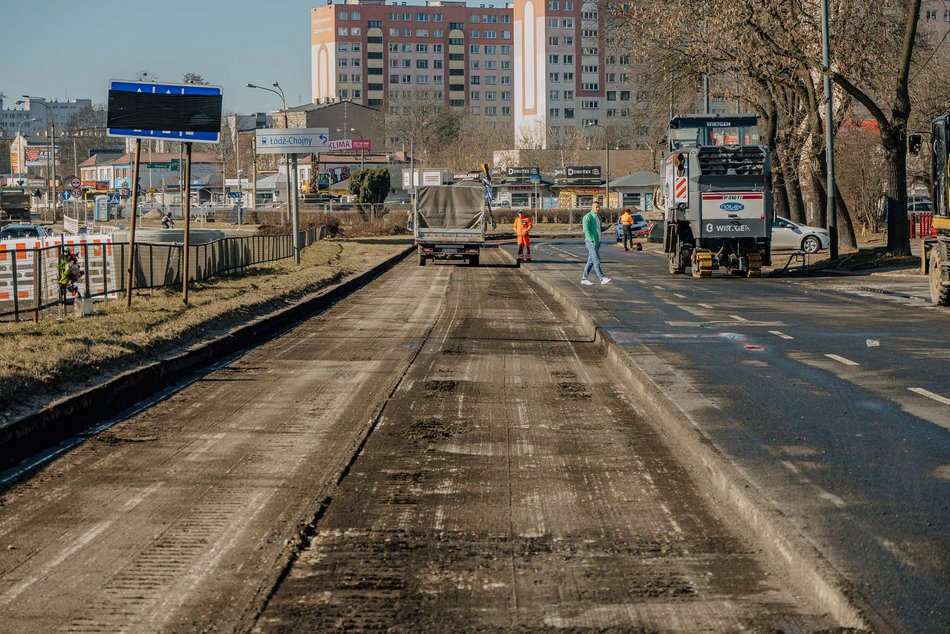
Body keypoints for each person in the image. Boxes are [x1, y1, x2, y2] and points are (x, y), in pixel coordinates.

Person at [581, 201, 611, 285]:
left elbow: (600, 229)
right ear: (592, 207)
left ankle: (584, 278)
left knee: (590, 261)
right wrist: (592, 239)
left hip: (598, 241)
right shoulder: (587, 217)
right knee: (596, 260)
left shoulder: (598, 217)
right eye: (596, 207)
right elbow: (586, 230)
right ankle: (602, 278)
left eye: (599, 207)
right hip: (591, 242)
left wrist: (607, 227)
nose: (598, 208)